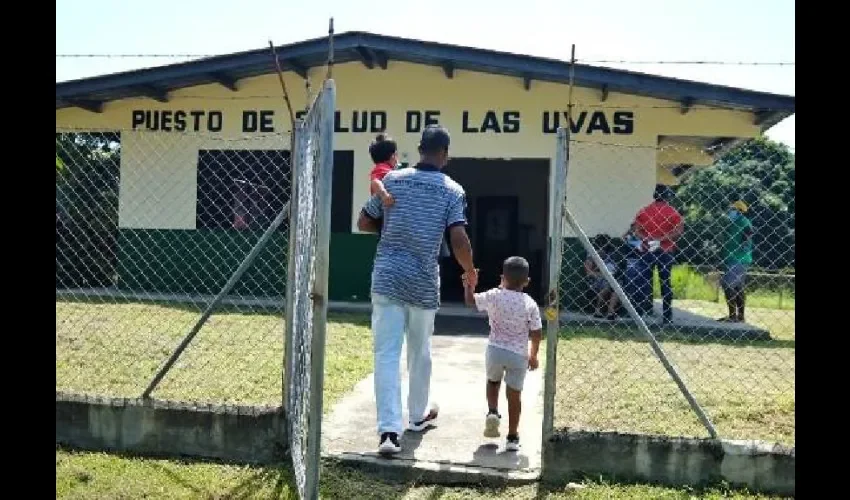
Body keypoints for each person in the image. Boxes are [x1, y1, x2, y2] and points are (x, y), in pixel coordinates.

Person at [357, 125, 478, 456]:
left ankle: (388, 433)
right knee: (420, 351)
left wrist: (394, 227)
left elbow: (364, 222)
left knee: (385, 354)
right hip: (423, 281)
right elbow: (458, 239)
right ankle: (417, 416)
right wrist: (469, 272)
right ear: (445, 154)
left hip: (387, 277)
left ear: (420, 149)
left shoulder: (393, 180)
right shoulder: (452, 190)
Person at [462, 256, 542, 452]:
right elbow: (537, 332)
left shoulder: (494, 295)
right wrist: (533, 355)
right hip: (518, 354)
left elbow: (471, 302)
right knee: (515, 395)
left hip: (495, 350)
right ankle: (513, 437)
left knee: (492, 381)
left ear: (502, 277)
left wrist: (469, 285)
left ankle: (492, 411)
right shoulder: (530, 303)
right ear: (527, 281)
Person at [369, 133, 451, 259]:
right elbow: (375, 182)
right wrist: (384, 195)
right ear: (393, 156)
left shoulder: (389, 173)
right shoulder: (384, 171)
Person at [626, 184, 684, 323]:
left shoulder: (644, 211)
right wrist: (661, 239)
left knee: (644, 282)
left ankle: (640, 313)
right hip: (666, 250)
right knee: (665, 282)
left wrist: (647, 238)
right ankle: (667, 316)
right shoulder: (673, 212)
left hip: (647, 250)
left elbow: (635, 230)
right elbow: (679, 231)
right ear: (667, 196)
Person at [719, 200, 754, 323]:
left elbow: (748, 234)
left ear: (740, 211)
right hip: (732, 258)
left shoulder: (744, 222)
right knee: (738, 287)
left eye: (732, 210)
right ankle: (739, 316)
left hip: (739, 259)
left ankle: (733, 316)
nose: (730, 212)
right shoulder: (734, 223)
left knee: (728, 285)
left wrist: (744, 245)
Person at [584, 235, 620, 320]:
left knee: (616, 288)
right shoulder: (591, 255)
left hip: (610, 279)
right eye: (600, 246)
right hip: (595, 280)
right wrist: (603, 275)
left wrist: (608, 275)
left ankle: (610, 312)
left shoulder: (611, 255)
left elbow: (614, 270)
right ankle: (598, 310)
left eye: (604, 246)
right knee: (607, 287)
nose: (602, 249)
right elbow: (589, 273)